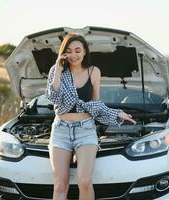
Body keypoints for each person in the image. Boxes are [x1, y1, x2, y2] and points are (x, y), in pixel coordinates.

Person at [45, 33, 136, 200]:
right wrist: (58, 69)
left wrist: (117, 113)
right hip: (60, 131)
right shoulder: (56, 71)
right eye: (69, 51)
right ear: (63, 53)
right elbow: (53, 97)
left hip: (85, 130)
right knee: (59, 184)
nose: (73, 55)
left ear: (85, 51)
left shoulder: (94, 72)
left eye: (78, 50)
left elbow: (96, 105)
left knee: (85, 181)